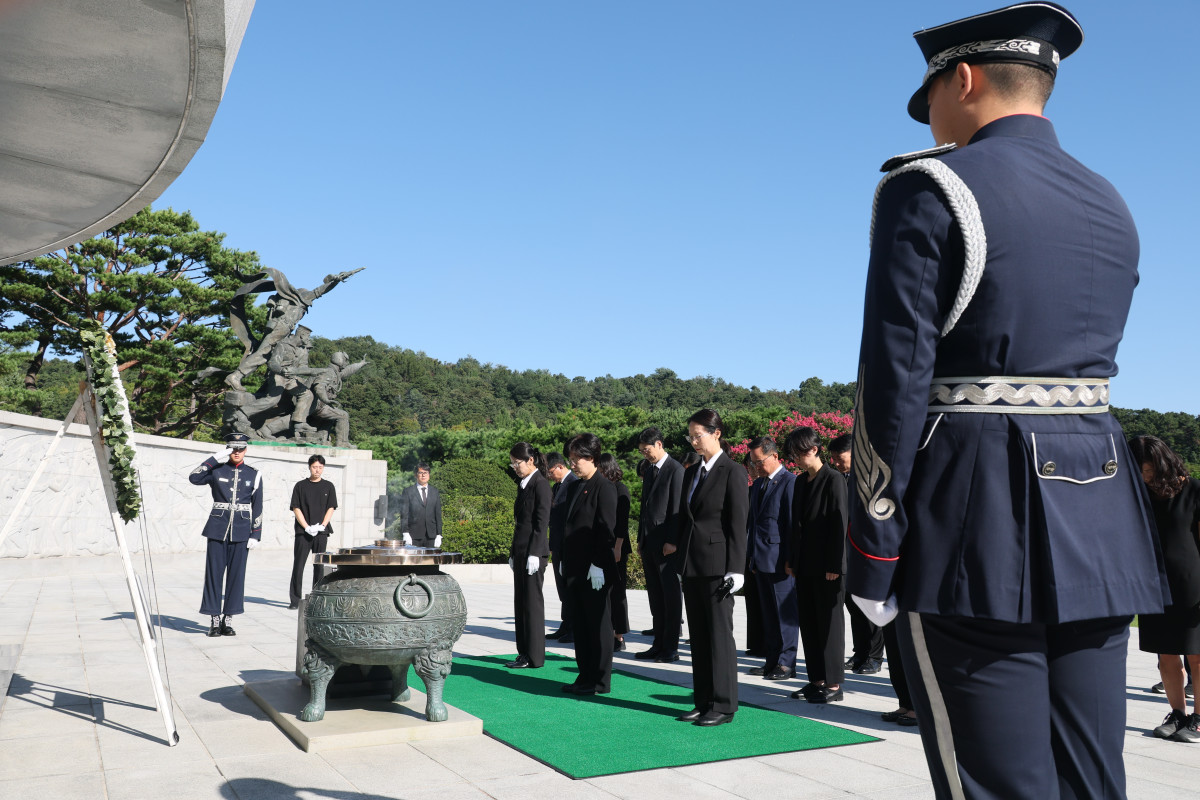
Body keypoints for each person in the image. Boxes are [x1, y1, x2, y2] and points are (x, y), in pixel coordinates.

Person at [847, 4, 1169, 797]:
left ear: (962, 78)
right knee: (1092, 778)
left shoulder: (930, 186)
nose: (932, 119)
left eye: (930, 98)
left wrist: (875, 545)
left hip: (976, 517)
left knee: (994, 781)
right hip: (1102, 515)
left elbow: (894, 379)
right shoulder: (1108, 200)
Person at [670, 409, 748, 727]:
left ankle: (724, 704)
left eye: (698, 435)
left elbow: (738, 523)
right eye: (690, 436)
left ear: (716, 433)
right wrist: (681, 560)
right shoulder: (692, 473)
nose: (693, 441)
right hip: (693, 565)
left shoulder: (733, 471)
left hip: (718, 566)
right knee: (699, 638)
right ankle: (703, 701)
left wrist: (736, 569)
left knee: (719, 636)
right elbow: (685, 520)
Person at [1129, 435, 1200, 742]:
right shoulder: (1137, 495)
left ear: (1163, 463)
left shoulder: (1194, 490)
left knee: (1197, 655)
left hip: (1192, 584)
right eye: (1139, 470)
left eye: (1147, 469)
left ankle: (1198, 719)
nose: (1144, 476)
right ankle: (1178, 715)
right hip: (1154, 584)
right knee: (1166, 656)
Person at [785, 427, 847, 704]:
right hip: (805, 563)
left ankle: (834, 684)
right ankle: (817, 680)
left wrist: (835, 563)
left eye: (798, 453)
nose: (795, 459)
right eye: (792, 454)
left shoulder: (834, 479)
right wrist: (791, 559)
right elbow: (795, 525)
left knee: (829, 624)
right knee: (809, 623)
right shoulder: (800, 481)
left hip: (828, 566)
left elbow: (839, 523)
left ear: (814, 449)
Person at [559, 433, 619, 695]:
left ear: (592, 458)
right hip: (575, 566)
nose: (572, 464)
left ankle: (600, 680)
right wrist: (563, 558)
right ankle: (584, 675)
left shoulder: (604, 487)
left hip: (595, 569)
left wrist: (598, 563)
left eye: (577, 459)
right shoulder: (574, 486)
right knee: (581, 624)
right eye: (570, 459)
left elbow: (606, 530)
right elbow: (568, 527)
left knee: (598, 625)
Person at [189, 432, 263, 637]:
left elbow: (258, 506)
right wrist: (215, 458)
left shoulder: (254, 474)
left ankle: (228, 620)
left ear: (246, 450)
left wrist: (256, 533)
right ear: (228, 450)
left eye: (240, 449)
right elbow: (194, 478)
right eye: (233, 449)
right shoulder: (217, 470)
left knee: (236, 576)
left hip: (241, 530)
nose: (237, 452)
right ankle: (214, 620)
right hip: (217, 528)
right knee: (213, 575)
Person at [830, 433, 883, 675]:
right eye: (833, 459)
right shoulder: (841, 479)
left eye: (839, 458)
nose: (836, 463)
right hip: (847, 551)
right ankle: (860, 652)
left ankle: (874, 656)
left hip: (867, 552)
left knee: (870, 605)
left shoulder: (871, 479)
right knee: (853, 605)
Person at [745, 437, 798, 681]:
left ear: (775, 456)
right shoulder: (758, 484)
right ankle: (772, 660)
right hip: (761, 559)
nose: (756, 467)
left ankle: (786, 663)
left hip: (780, 561)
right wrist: (752, 557)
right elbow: (753, 524)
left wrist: (790, 559)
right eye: (753, 463)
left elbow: (791, 525)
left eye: (759, 462)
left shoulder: (789, 482)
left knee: (784, 614)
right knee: (768, 614)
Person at [634, 427, 685, 662]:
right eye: (642, 451)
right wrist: (641, 539)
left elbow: (677, 509)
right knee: (655, 597)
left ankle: (670, 647)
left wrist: (672, 541)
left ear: (659, 444)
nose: (645, 454)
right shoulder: (650, 470)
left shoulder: (675, 470)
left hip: (666, 544)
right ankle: (658, 643)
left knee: (670, 597)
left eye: (647, 449)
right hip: (649, 542)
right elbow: (645, 508)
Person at [506, 442, 552, 670]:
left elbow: (541, 523)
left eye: (517, 463)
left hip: (533, 553)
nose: (515, 467)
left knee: (532, 605)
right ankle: (523, 652)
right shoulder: (524, 484)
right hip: (522, 552)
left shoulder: (540, 484)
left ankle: (534, 656)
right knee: (521, 603)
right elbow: (520, 524)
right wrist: (513, 552)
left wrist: (535, 552)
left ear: (530, 460)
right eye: (512, 464)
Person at [288, 454, 337, 610]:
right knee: (299, 565)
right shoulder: (300, 486)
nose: (317, 470)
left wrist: (323, 525)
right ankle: (295, 600)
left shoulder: (328, 486)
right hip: (303, 532)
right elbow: (296, 508)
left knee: (319, 565)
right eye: (315, 467)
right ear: (309, 467)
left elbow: (331, 507)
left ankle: (317, 598)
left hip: (321, 532)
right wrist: (306, 527)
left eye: (320, 467)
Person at [597, 454, 631, 653]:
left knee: (617, 592)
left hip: (618, 546)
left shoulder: (620, 489)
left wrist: (617, 547)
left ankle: (619, 635)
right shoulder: (602, 488)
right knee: (605, 593)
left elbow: (622, 524)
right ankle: (607, 631)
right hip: (603, 545)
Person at [545, 452, 577, 642]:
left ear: (560, 466)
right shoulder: (557, 486)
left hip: (569, 544)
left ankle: (573, 627)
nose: (550, 476)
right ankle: (566, 624)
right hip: (557, 544)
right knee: (561, 586)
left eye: (551, 472)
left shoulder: (573, 483)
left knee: (570, 587)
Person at [398, 463, 442, 547]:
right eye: (421, 473)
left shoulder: (434, 491)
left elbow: (438, 514)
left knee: (430, 556)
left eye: (426, 473)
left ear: (429, 475)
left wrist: (439, 534)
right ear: (416, 475)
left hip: (431, 536)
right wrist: (405, 533)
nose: (423, 475)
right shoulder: (408, 491)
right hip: (413, 535)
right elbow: (404, 514)